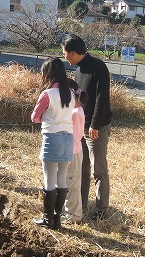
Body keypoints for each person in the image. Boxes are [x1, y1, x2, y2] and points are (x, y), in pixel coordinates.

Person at [61, 35, 112, 221]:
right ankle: (81, 204)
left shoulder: (98, 67)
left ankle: (102, 209)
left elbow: (102, 98)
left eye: (66, 53)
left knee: (99, 169)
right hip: (80, 125)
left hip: (96, 127)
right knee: (81, 166)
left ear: (74, 53)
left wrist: (95, 124)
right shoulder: (79, 70)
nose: (65, 57)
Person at [31, 57, 75, 230]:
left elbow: (34, 117)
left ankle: (47, 219)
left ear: (47, 74)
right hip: (68, 138)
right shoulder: (70, 93)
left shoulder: (47, 94)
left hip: (52, 137)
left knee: (49, 179)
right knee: (61, 178)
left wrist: (46, 117)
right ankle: (57, 219)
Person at [63, 78, 88, 224]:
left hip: (72, 151)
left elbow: (73, 135)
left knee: (72, 184)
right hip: (75, 150)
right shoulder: (78, 110)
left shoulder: (74, 113)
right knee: (70, 181)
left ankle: (74, 215)